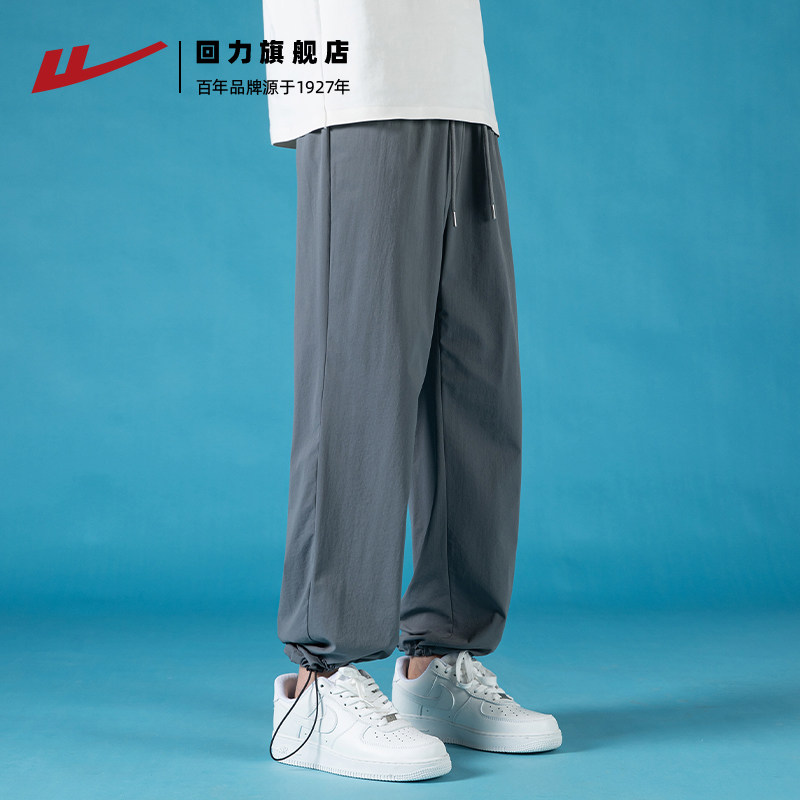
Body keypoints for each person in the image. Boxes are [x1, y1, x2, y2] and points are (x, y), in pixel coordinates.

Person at [261, 0, 562, 781]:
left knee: (477, 387)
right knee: (357, 382)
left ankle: (438, 663)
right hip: (355, 73)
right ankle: (319, 688)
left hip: (459, 84)